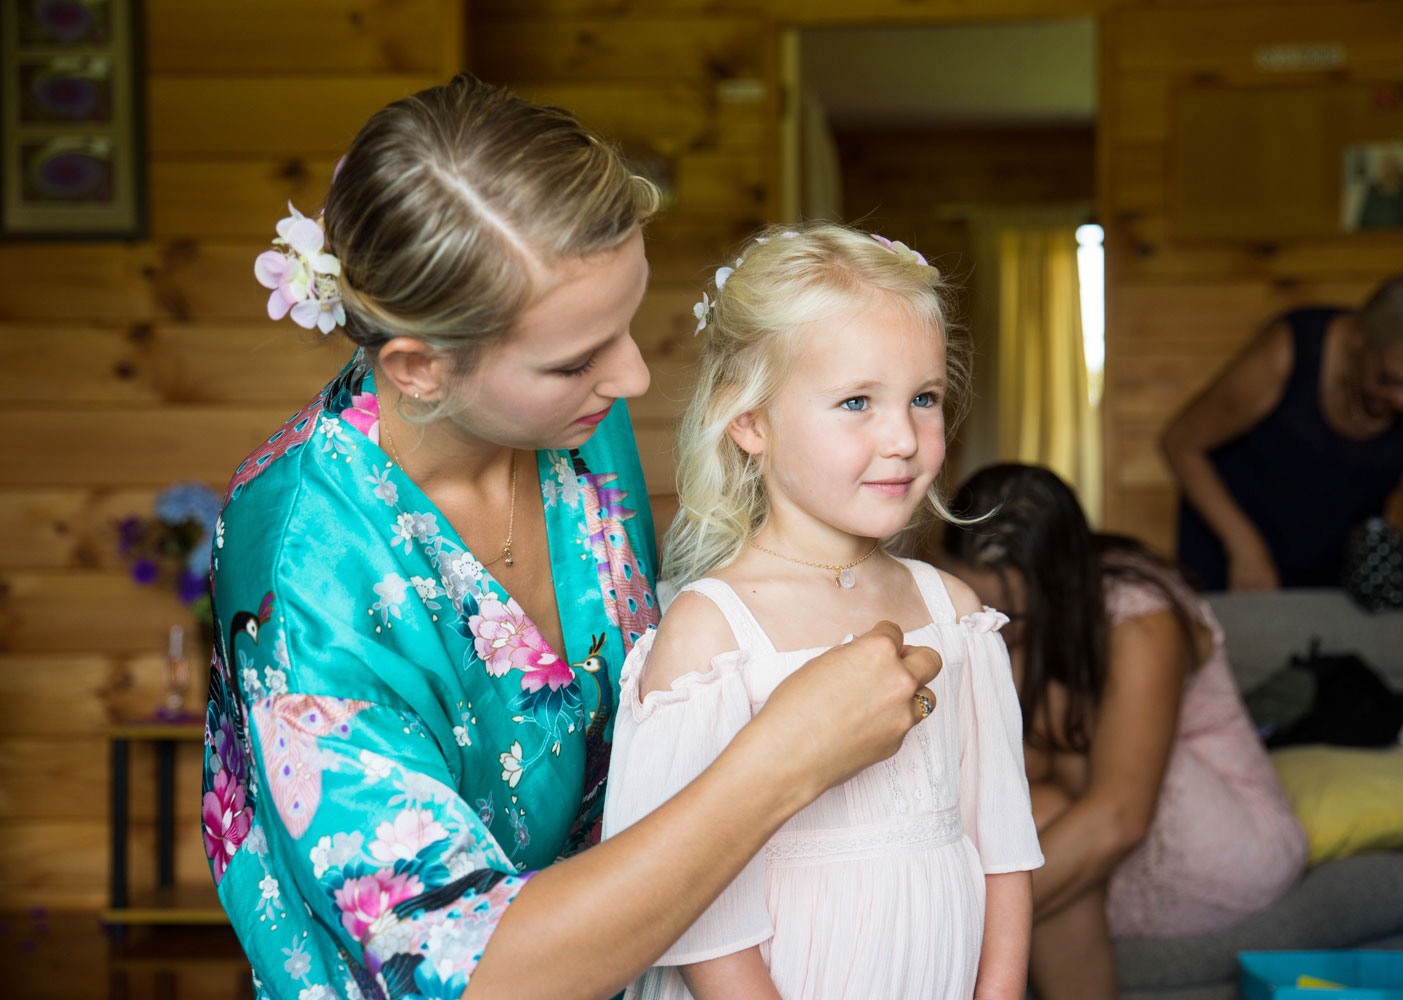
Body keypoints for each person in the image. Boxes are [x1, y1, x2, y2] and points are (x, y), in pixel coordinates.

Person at [202, 74, 943, 1000]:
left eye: (625, 325)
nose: (632, 378)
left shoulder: (576, 427)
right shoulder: (302, 570)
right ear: (420, 366)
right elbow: (473, 974)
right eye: (576, 359)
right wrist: (784, 760)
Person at [602, 225, 1041, 1000]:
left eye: (925, 398)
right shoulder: (710, 637)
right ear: (750, 423)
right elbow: (700, 919)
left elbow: (1002, 850)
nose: (903, 438)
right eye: (856, 402)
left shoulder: (955, 611)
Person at [940, 464, 1308, 1000]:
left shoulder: (1141, 618)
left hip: (1223, 837)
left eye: (1014, 614)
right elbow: (1025, 767)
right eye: (982, 605)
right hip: (1092, 806)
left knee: (1030, 828)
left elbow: (1120, 817)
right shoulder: (1010, 613)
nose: (998, 624)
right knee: (1023, 811)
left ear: (1055, 581)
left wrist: (947, 931)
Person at [1160, 270, 1403, 591]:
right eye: (1390, 381)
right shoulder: (1290, 353)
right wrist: (1243, 545)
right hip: (1232, 560)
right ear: (1359, 339)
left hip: (1332, 574)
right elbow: (1181, 444)